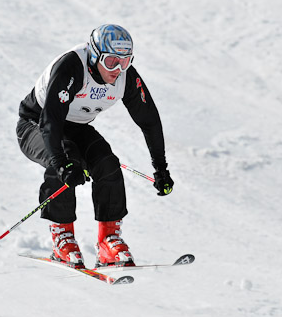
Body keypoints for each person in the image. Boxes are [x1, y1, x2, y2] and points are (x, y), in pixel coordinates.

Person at [16, 24, 173, 268]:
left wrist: (161, 169)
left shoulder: (126, 76)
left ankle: (108, 241)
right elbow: (51, 122)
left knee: (107, 164)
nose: (118, 69)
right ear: (94, 55)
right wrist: (61, 164)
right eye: (111, 61)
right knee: (67, 160)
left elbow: (149, 121)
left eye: (125, 61)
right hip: (35, 125)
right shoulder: (71, 67)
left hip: (76, 127)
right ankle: (62, 238)